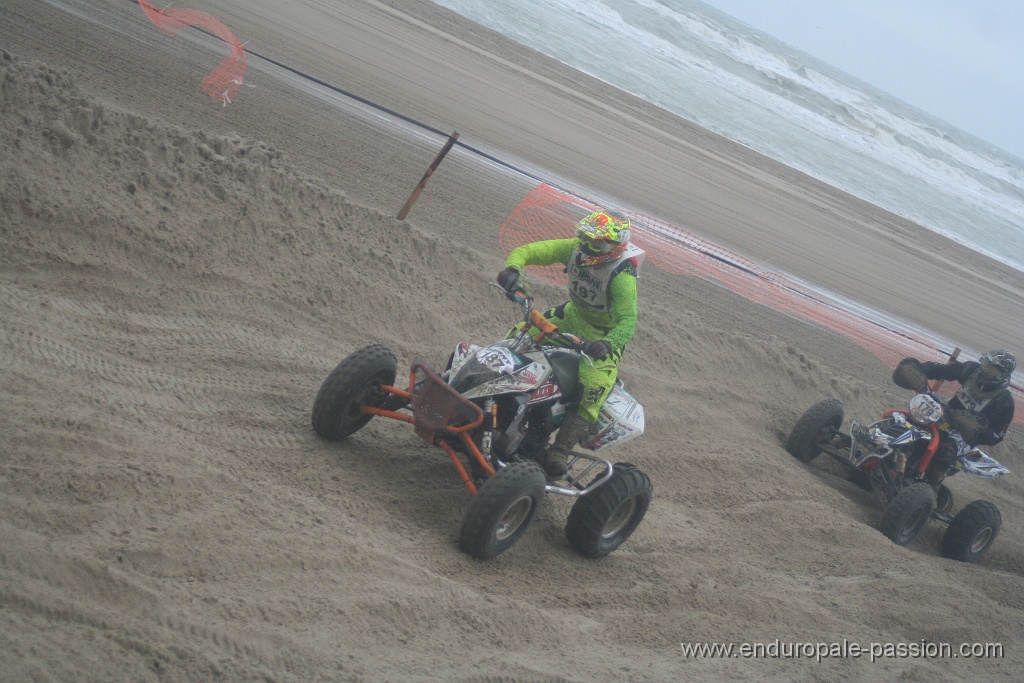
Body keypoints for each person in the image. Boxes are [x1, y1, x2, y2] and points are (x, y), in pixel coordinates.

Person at [496, 209, 645, 477]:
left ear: (614, 245)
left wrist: (608, 344)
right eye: (584, 237)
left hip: (603, 334)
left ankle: (560, 450)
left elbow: (628, 322)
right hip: (572, 315)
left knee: (594, 386)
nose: (587, 245)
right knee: (521, 332)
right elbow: (528, 251)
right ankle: (492, 383)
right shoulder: (575, 249)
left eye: (596, 242)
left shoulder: (623, 276)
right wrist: (512, 269)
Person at [894, 350, 1016, 488]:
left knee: (946, 450)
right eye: (986, 365)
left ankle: (931, 488)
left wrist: (977, 426)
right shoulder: (971, 370)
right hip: (944, 415)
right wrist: (921, 370)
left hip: (965, 435)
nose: (985, 370)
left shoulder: (1004, 401)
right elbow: (943, 370)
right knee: (910, 421)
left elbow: (996, 436)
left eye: (991, 369)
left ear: (1002, 374)